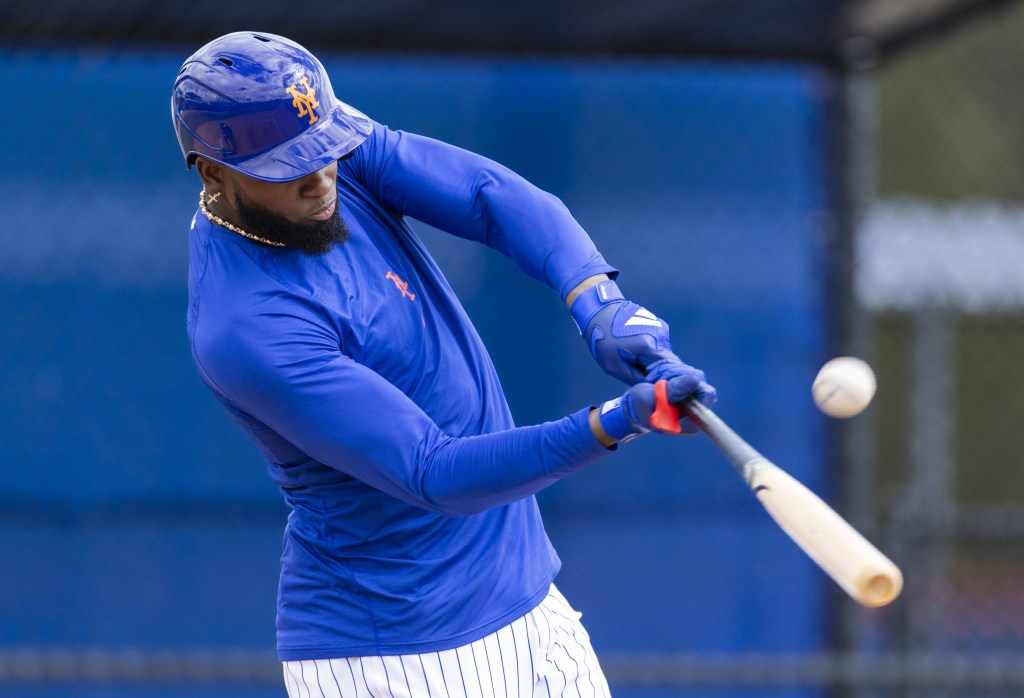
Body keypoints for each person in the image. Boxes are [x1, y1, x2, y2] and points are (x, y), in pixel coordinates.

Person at [171, 31, 716, 698]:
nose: (320, 177)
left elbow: (489, 196)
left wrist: (598, 300)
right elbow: (436, 470)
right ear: (212, 173)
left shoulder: (325, 149)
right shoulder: (246, 324)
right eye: (289, 167)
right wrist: (616, 421)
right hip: (399, 653)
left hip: (527, 601)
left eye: (326, 149)